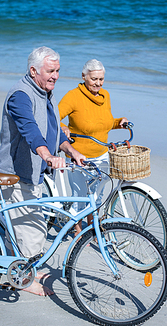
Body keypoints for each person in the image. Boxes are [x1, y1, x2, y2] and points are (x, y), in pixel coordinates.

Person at [0, 46, 85, 296]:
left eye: (58, 70)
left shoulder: (45, 92)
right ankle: (22, 279)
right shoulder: (20, 95)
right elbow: (30, 129)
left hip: (34, 172)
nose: (56, 76)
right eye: (50, 71)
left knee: (29, 226)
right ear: (34, 70)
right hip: (16, 172)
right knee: (31, 228)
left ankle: (25, 267)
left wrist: (70, 151)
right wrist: (47, 155)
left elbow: (52, 133)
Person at [58, 59, 129, 236]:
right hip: (79, 155)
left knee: (97, 197)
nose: (98, 83)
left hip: (102, 154)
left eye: (101, 79)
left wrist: (118, 123)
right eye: (94, 79)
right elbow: (53, 118)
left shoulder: (105, 96)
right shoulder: (73, 96)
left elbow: (103, 123)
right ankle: (78, 233)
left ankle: (93, 230)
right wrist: (63, 127)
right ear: (84, 76)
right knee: (80, 197)